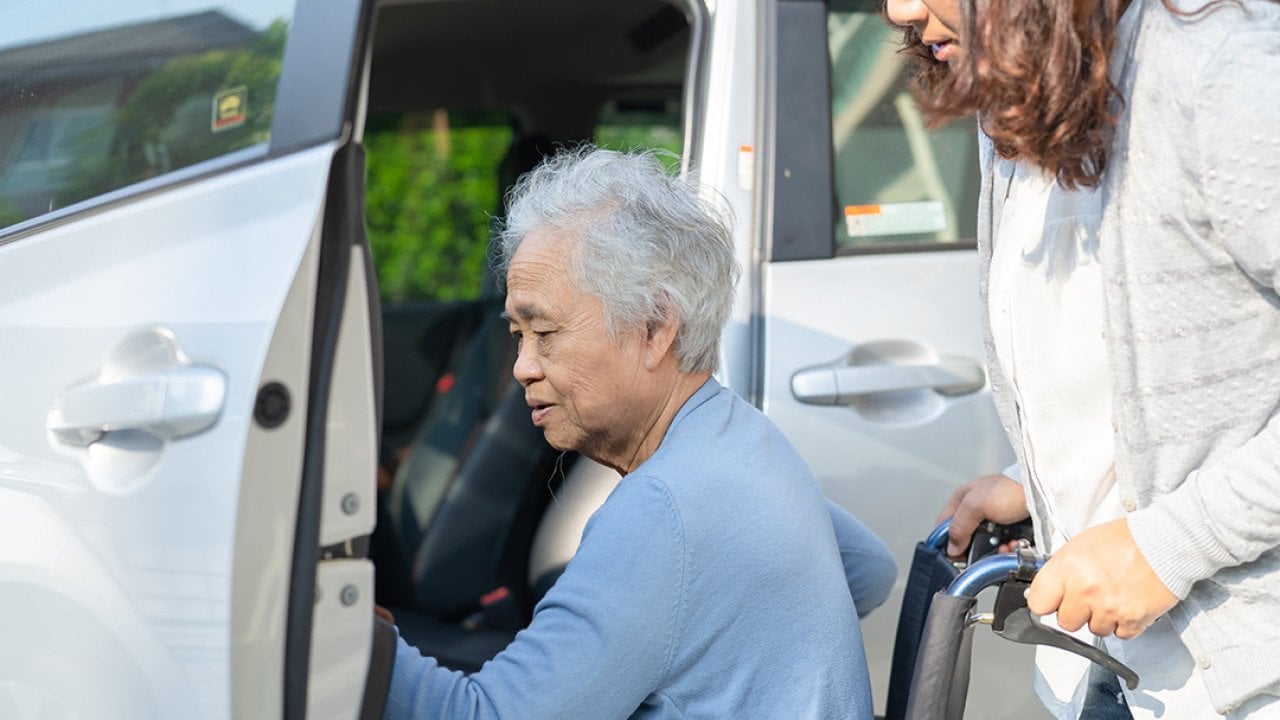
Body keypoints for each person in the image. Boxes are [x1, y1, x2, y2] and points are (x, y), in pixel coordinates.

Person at [381, 146, 897, 720]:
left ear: (654, 328)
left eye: (545, 333)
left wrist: (359, 641)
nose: (523, 367)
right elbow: (870, 569)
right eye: (517, 335)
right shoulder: (744, 437)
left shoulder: (663, 510)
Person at [884, 0, 1280, 717]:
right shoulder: (1017, 94)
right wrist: (1041, 482)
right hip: (1107, 671)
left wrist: (1171, 544)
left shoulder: (1222, 69)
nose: (899, 10)